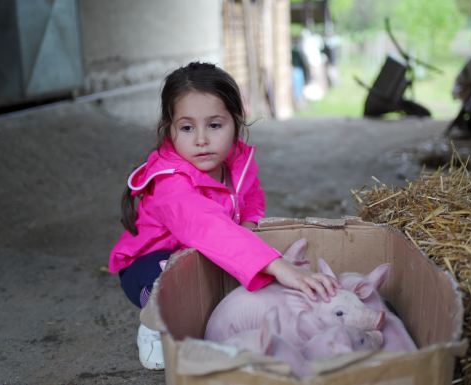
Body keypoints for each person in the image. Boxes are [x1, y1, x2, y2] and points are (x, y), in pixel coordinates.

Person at [108, 62, 339, 370]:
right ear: (170, 128)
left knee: (231, 272)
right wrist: (277, 265)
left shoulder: (238, 162)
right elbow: (208, 227)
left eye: (215, 125)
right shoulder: (170, 183)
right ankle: (154, 325)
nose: (201, 139)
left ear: (235, 122)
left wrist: (248, 226)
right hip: (150, 264)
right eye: (187, 128)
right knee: (171, 278)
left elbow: (252, 197)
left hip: (202, 250)